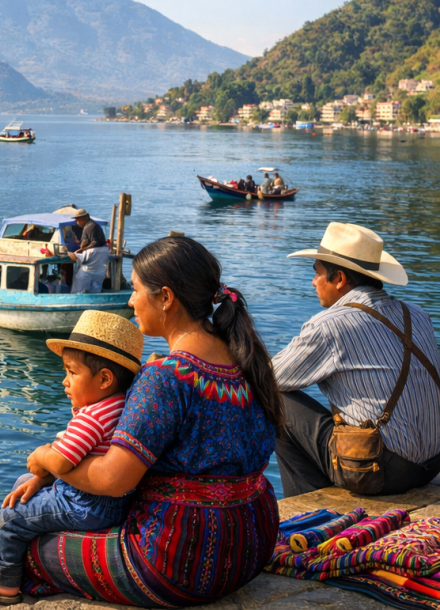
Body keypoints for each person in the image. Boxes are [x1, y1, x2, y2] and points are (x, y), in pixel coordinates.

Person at [20, 236, 283, 605]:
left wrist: (49, 457)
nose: (130, 300)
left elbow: (113, 480)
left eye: (135, 289)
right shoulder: (248, 360)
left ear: (165, 298)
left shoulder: (166, 377)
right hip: (251, 547)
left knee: (26, 543)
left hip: (178, 562)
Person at [0, 311, 141, 603]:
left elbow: (60, 463)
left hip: (85, 503)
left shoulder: (92, 417)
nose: (64, 381)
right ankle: (1, 552)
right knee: (25, 482)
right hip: (101, 499)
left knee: (12, 516)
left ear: (105, 379)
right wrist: (39, 476)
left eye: (72, 372)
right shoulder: (117, 404)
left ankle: (3, 583)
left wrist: (41, 454)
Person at [272, 222, 440, 497]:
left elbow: (267, 377)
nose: (313, 282)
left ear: (339, 279)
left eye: (317, 274)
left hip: (385, 471)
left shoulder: (330, 325)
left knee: (275, 399)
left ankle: (308, 509)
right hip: (432, 464)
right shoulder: (417, 315)